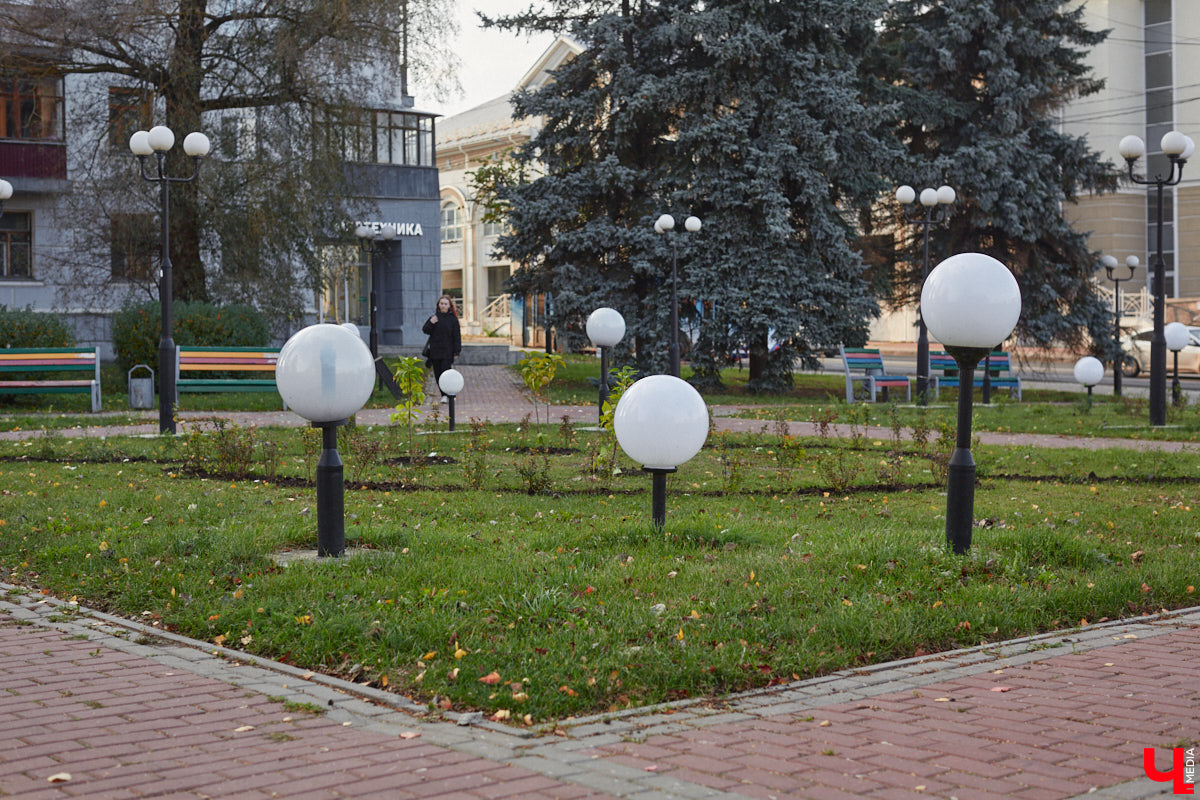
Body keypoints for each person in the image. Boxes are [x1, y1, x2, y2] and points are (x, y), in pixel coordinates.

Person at [423, 295, 461, 403]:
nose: (443, 306)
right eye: (441, 303)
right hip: (435, 352)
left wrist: (457, 350)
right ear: (438, 305)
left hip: (447, 352)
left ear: (449, 306)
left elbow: (457, 336)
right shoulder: (434, 317)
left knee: (446, 373)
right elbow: (425, 330)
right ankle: (443, 395)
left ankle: (449, 394)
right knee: (438, 374)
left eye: (445, 304)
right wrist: (431, 322)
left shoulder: (453, 319)